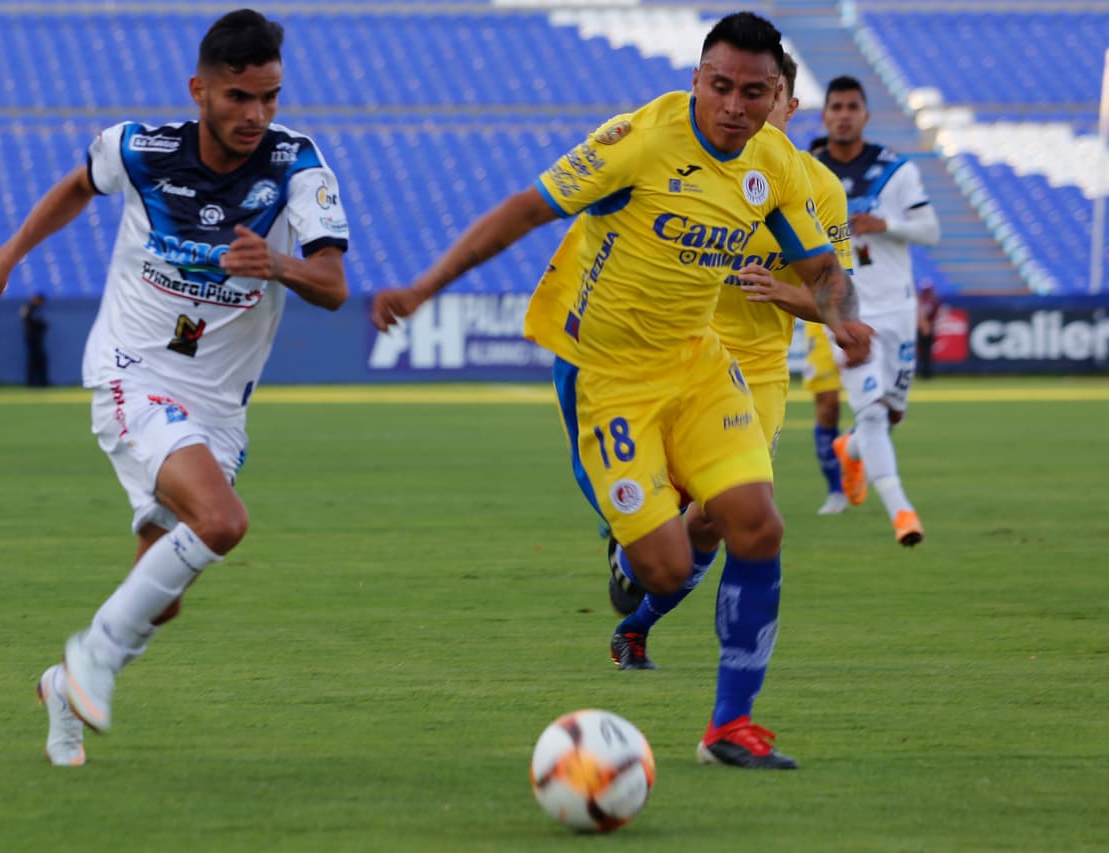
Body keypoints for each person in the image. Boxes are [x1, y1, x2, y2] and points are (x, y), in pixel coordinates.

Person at [372, 12, 870, 770]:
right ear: (696, 80)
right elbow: (525, 210)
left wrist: (845, 320)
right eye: (720, 86)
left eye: (754, 92)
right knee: (667, 567)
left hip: (698, 364)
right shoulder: (639, 139)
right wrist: (425, 284)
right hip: (607, 373)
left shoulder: (776, 165)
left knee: (757, 524)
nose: (735, 106)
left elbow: (825, 271)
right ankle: (630, 559)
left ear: (777, 96)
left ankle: (728, 726)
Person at [0, 9, 350, 767]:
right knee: (223, 520)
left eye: (269, 97)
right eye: (239, 97)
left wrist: (277, 265)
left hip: (217, 404)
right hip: (133, 371)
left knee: (160, 596)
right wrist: (4, 259)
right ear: (199, 89)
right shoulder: (140, 148)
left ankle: (60, 684)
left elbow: (333, 285)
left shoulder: (298, 166)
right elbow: (78, 186)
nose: (256, 115)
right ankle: (90, 659)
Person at [604, 51, 853, 670]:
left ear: (788, 106)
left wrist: (785, 292)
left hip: (762, 372)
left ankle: (636, 628)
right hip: (685, 356)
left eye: (767, 96)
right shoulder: (694, 167)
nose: (749, 108)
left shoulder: (818, 190)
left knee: (721, 519)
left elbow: (836, 301)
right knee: (668, 511)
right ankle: (634, 534)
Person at [816, 75, 940, 546]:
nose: (844, 114)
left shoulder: (896, 170)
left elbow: (931, 230)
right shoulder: (808, 172)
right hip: (846, 308)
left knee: (890, 415)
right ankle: (903, 514)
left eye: (852, 107)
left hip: (898, 308)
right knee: (869, 412)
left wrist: (885, 223)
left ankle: (851, 448)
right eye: (836, 107)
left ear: (865, 115)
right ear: (824, 115)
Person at [803, 321, 847, 514]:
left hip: (869, 312)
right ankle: (836, 489)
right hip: (821, 321)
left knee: (883, 406)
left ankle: (854, 449)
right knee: (828, 405)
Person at [21, 292, 50, 387]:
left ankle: (40, 381)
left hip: (36, 339)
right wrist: (43, 325)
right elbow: (32, 322)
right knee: (34, 361)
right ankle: (32, 382)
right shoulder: (29, 308)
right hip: (33, 339)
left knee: (40, 360)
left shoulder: (34, 309)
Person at [916, 280, 941, 380]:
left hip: (927, 329)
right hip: (922, 329)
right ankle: (924, 373)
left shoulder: (931, 302)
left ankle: (926, 373)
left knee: (926, 352)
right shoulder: (924, 301)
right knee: (923, 352)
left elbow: (936, 316)